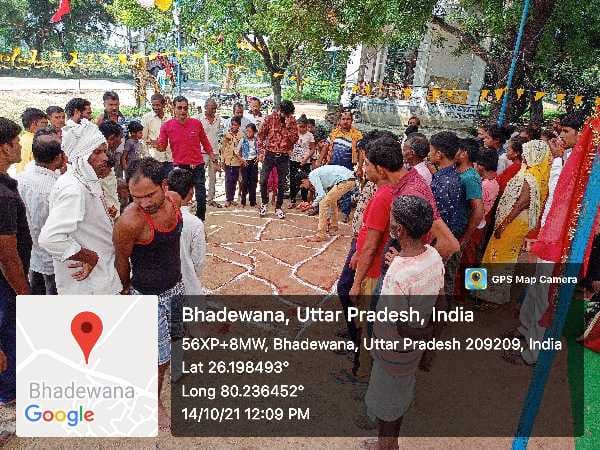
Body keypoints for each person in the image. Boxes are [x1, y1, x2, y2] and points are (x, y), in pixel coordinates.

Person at [365, 196, 444, 450]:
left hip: (393, 353)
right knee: (398, 399)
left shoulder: (398, 273)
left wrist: (426, 335)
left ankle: (386, 445)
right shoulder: (433, 256)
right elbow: (441, 301)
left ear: (398, 229)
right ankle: (391, 442)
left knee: (386, 407)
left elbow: (400, 326)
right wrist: (430, 343)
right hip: (411, 353)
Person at [113, 157, 184, 431]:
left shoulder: (175, 201)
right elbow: (121, 260)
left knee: (177, 337)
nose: (143, 202)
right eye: (136, 197)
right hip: (147, 296)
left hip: (176, 287)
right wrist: (125, 289)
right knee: (159, 356)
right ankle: (153, 403)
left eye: (149, 194)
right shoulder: (128, 222)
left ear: (164, 186)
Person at [343, 137, 406, 384]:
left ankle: (363, 373)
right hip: (379, 267)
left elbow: (371, 245)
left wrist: (356, 283)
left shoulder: (383, 197)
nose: (363, 168)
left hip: (373, 271)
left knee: (369, 325)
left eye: (367, 164)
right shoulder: (389, 191)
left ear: (380, 170)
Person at [39, 119, 122, 295]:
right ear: (81, 156)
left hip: (102, 278)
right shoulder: (74, 188)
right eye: (97, 152)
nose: (105, 158)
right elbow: (50, 238)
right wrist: (89, 257)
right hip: (90, 287)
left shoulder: (84, 179)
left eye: (104, 151)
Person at [477, 140, 551, 306]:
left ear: (534, 155)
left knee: (499, 258)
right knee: (498, 256)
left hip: (513, 223)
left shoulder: (530, 177)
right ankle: (483, 291)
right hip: (514, 222)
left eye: (527, 152)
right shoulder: (534, 173)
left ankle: (491, 297)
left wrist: (503, 225)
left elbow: (520, 204)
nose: (523, 155)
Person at [0, 117, 32, 414]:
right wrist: (24, 292)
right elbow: (7, 254)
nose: (21, 146)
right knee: (9, 333)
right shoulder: (3, 196)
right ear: (4, 148)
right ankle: (10, 394)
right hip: (6, 282)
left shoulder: (6, 186)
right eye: (16, 142)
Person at [16, 128, 67, 295]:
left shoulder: (22, 178)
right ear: (58, 157)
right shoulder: (54, 189)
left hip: (33, 256)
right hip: (53, 261)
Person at [155, 96, 218, 221]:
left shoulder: (196, 123)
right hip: (180, 166)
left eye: (185, 108)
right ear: (173, 108)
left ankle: (200, 221)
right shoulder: (166, 126)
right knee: (178, 196)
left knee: (200, 195)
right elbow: (162, 147)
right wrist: (157, 145)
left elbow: (205, 142)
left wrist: (213, 157)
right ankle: (177, 221)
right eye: (179, 108)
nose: (183, 111)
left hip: (198, 165)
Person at [167, 168, 206, 295]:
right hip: (188, 286)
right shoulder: (195, 223)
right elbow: (198, 262)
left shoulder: (156, 215)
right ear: (191, 192)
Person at [257, 100, 298, 219]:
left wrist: (288, 126)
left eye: (288, 114)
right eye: (284, 113)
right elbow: (260, 136)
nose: (285, 116)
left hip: (283, 156)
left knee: (281, 183)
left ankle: (278, 207)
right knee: (263, 180)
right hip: (269, 154)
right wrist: (261, 152)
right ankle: (264, 203)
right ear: (280, 110)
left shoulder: (292, 121)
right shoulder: (270, 119)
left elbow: (295, 139)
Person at [321, 109, 363, 221]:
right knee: (330, 188)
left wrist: (359, 168)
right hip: (332, 165)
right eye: (343, 119)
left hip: (347, 167)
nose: (345, 121)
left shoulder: (357, 134)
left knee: (346, 190)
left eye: (348, 119)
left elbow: (361, 152)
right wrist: (319, 161)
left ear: (352, 121)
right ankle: (328, 212)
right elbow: (325, 147)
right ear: (339, 120)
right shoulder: (334, 133)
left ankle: (345, 213)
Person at [298, 165, 355, 242]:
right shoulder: (315, 176)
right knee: (330, 200)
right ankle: (333, 225)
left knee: (323, 203)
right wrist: (326, 218)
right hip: (348, 179)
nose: (305, 188)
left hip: (346, 180)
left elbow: (321, 195)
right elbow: (324, 195)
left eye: (303, 185)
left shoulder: (312, 176)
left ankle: (320, 235)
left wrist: (312, 205)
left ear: (303, 180)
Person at [429, 132, 467, 239]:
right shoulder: (455, 174)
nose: (429, 154)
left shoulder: (442, 182)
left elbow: (442, 216)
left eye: (431, 150)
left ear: (439, 154)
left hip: (442, 237)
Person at [455, 138, 484, 246]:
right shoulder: (460, 172)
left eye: (456, 150)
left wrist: (465, 238)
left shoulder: (470, 178)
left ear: (464, 154)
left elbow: (478, 210)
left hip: (459, 229)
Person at [199, 98, 223, 208]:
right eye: (212, 108)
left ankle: (211, 199)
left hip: (214, 152)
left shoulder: (218, 119)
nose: (214, 110)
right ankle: (200, 199)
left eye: (215, 108)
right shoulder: (198, 119)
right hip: (202, 152)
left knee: (213, 177)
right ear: (205, 107)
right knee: (200, 176)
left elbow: (219, 135)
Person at [288, 115, 315, 208]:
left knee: (304, 180)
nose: (302, 129)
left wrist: (306, 159)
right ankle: (292, 200)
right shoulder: (293, 134)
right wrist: (289, 152)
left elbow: (312, 149)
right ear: (297, 125)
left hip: (305, 162)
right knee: (293, 180)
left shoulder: (310, 135)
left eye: (304, 127)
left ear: (307, 126)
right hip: (293, 160)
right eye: (300, 127)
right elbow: (288, 145)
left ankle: (304, 200)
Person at [98, 120, 124, 218]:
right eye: (120, 138)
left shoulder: (108, 152)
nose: (120, 142)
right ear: (112, 138)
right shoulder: (101, 158)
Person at [141, 93, 173, 171]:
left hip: (169, 158)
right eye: (153, 105)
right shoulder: (146, 118)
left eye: (158, 105)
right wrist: (147, 157)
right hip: (154, 159)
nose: (155, 108)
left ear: (164, 105)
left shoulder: (169, 118)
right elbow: (143, 139)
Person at [14, 108, 48, 174]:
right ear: (33, 124)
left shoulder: (21, 139)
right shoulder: (37, 142)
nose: (46, 126)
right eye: (44, 123)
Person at [220, 116, 245, 207]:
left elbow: (242, 149)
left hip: (237, 161)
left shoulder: (242, 136)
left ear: (239, 126)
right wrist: (222, 160)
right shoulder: (226, 134)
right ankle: (228, 199)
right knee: (228, 179)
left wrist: (242, 160)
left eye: (235, 125)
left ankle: (232, 198)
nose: (233, 126)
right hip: (227, 160)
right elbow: (222, 148)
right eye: (232, 124)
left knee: (234, 180)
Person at [240, 123, 260, 207]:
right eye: (247, 131)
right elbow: (237, 151)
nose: (248, 133)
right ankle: (243, 201)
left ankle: (253, 201)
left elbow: (260, 150)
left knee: (253, 182)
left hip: (254, 162)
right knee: (244, 182)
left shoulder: (257, 140)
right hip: (245, 163)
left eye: (250, 131)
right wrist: (242, 159)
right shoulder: (243, 140)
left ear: (254, 132)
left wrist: (258, 157)